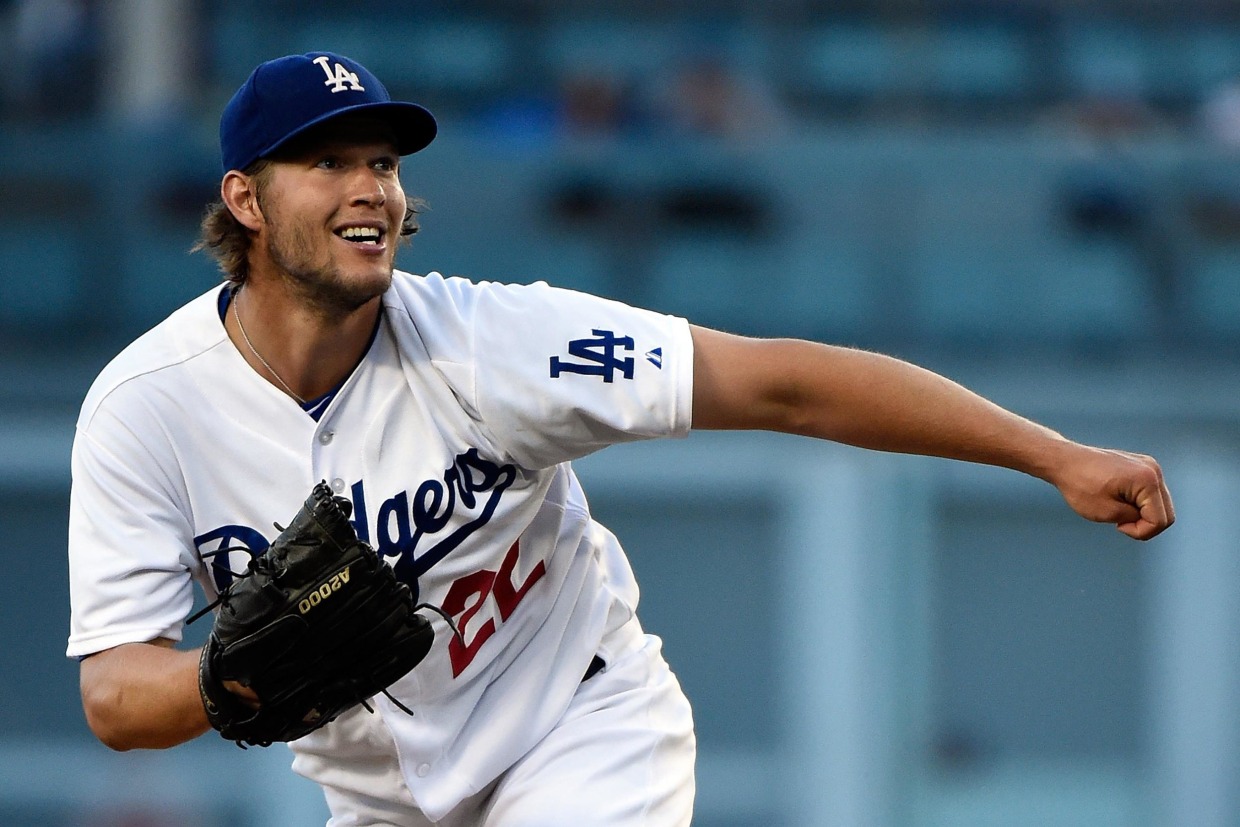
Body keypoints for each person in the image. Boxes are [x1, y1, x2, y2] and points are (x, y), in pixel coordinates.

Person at [67, 52, 1175, 827]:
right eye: (329, 162)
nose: (371, 189)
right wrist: (236, 676)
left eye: (385, 163)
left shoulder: (491, 342)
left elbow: (782, 383)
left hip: (577, 727)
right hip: (380, 797)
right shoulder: (147, 407)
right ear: (244, 201)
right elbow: (117, 696)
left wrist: (1056, 455)